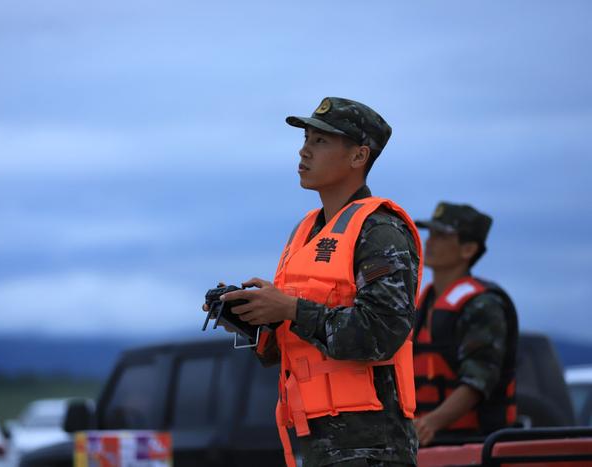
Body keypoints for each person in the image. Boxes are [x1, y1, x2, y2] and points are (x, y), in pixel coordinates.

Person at [213, 97, 423, 467]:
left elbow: (382, 335)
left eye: (320, 141)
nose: (304, 151)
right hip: (313, 444)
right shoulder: (305, 232)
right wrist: (253, 316)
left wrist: (290, 308)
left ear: (359, 156)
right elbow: (289, 350)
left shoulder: (380, 230)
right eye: (306, 139)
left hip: (372, 449)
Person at [412, 202, 518, 446]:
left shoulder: (483, 305)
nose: (429, 241)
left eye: (442, 235)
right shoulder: (420, 303)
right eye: (430, 233)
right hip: (424, 442)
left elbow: (478, 380)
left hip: (476, 444)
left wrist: (431, 422)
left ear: (468, 248)